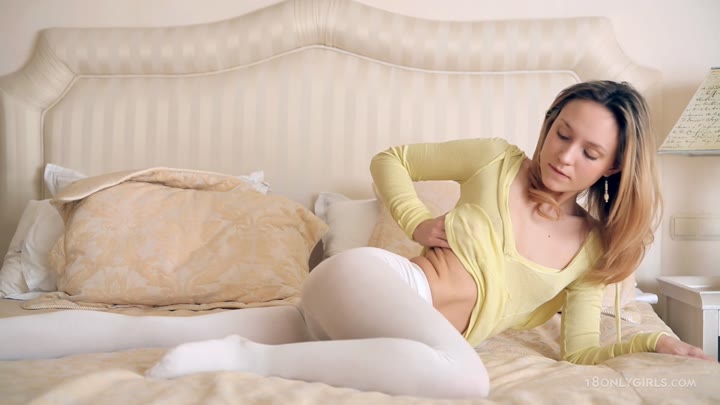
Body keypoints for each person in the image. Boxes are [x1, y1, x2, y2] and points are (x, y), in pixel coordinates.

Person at [0, 81, 713, 399]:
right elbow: (391, 158)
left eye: (589, 151)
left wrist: (651, 343)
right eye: (561, 132)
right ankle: (243, 358)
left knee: (137, 332)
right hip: (369, 284)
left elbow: (579, 351)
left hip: (376, 337)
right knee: (466, 377)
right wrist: (416, 219)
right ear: (549, 124)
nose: (564, 156)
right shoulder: (496, 160)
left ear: (614, 167)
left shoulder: (594, 251)